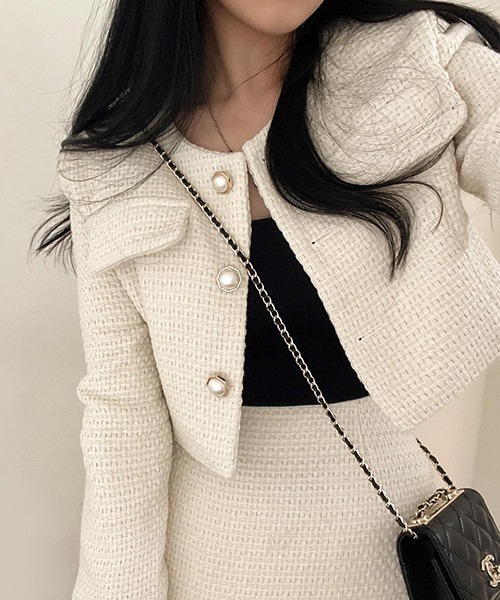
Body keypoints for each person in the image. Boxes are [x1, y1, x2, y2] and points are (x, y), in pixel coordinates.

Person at [31, 0, 500, 598]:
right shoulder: (113, 162)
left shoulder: (414, 61)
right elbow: (123, 418)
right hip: (207, 570)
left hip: (404, 557)